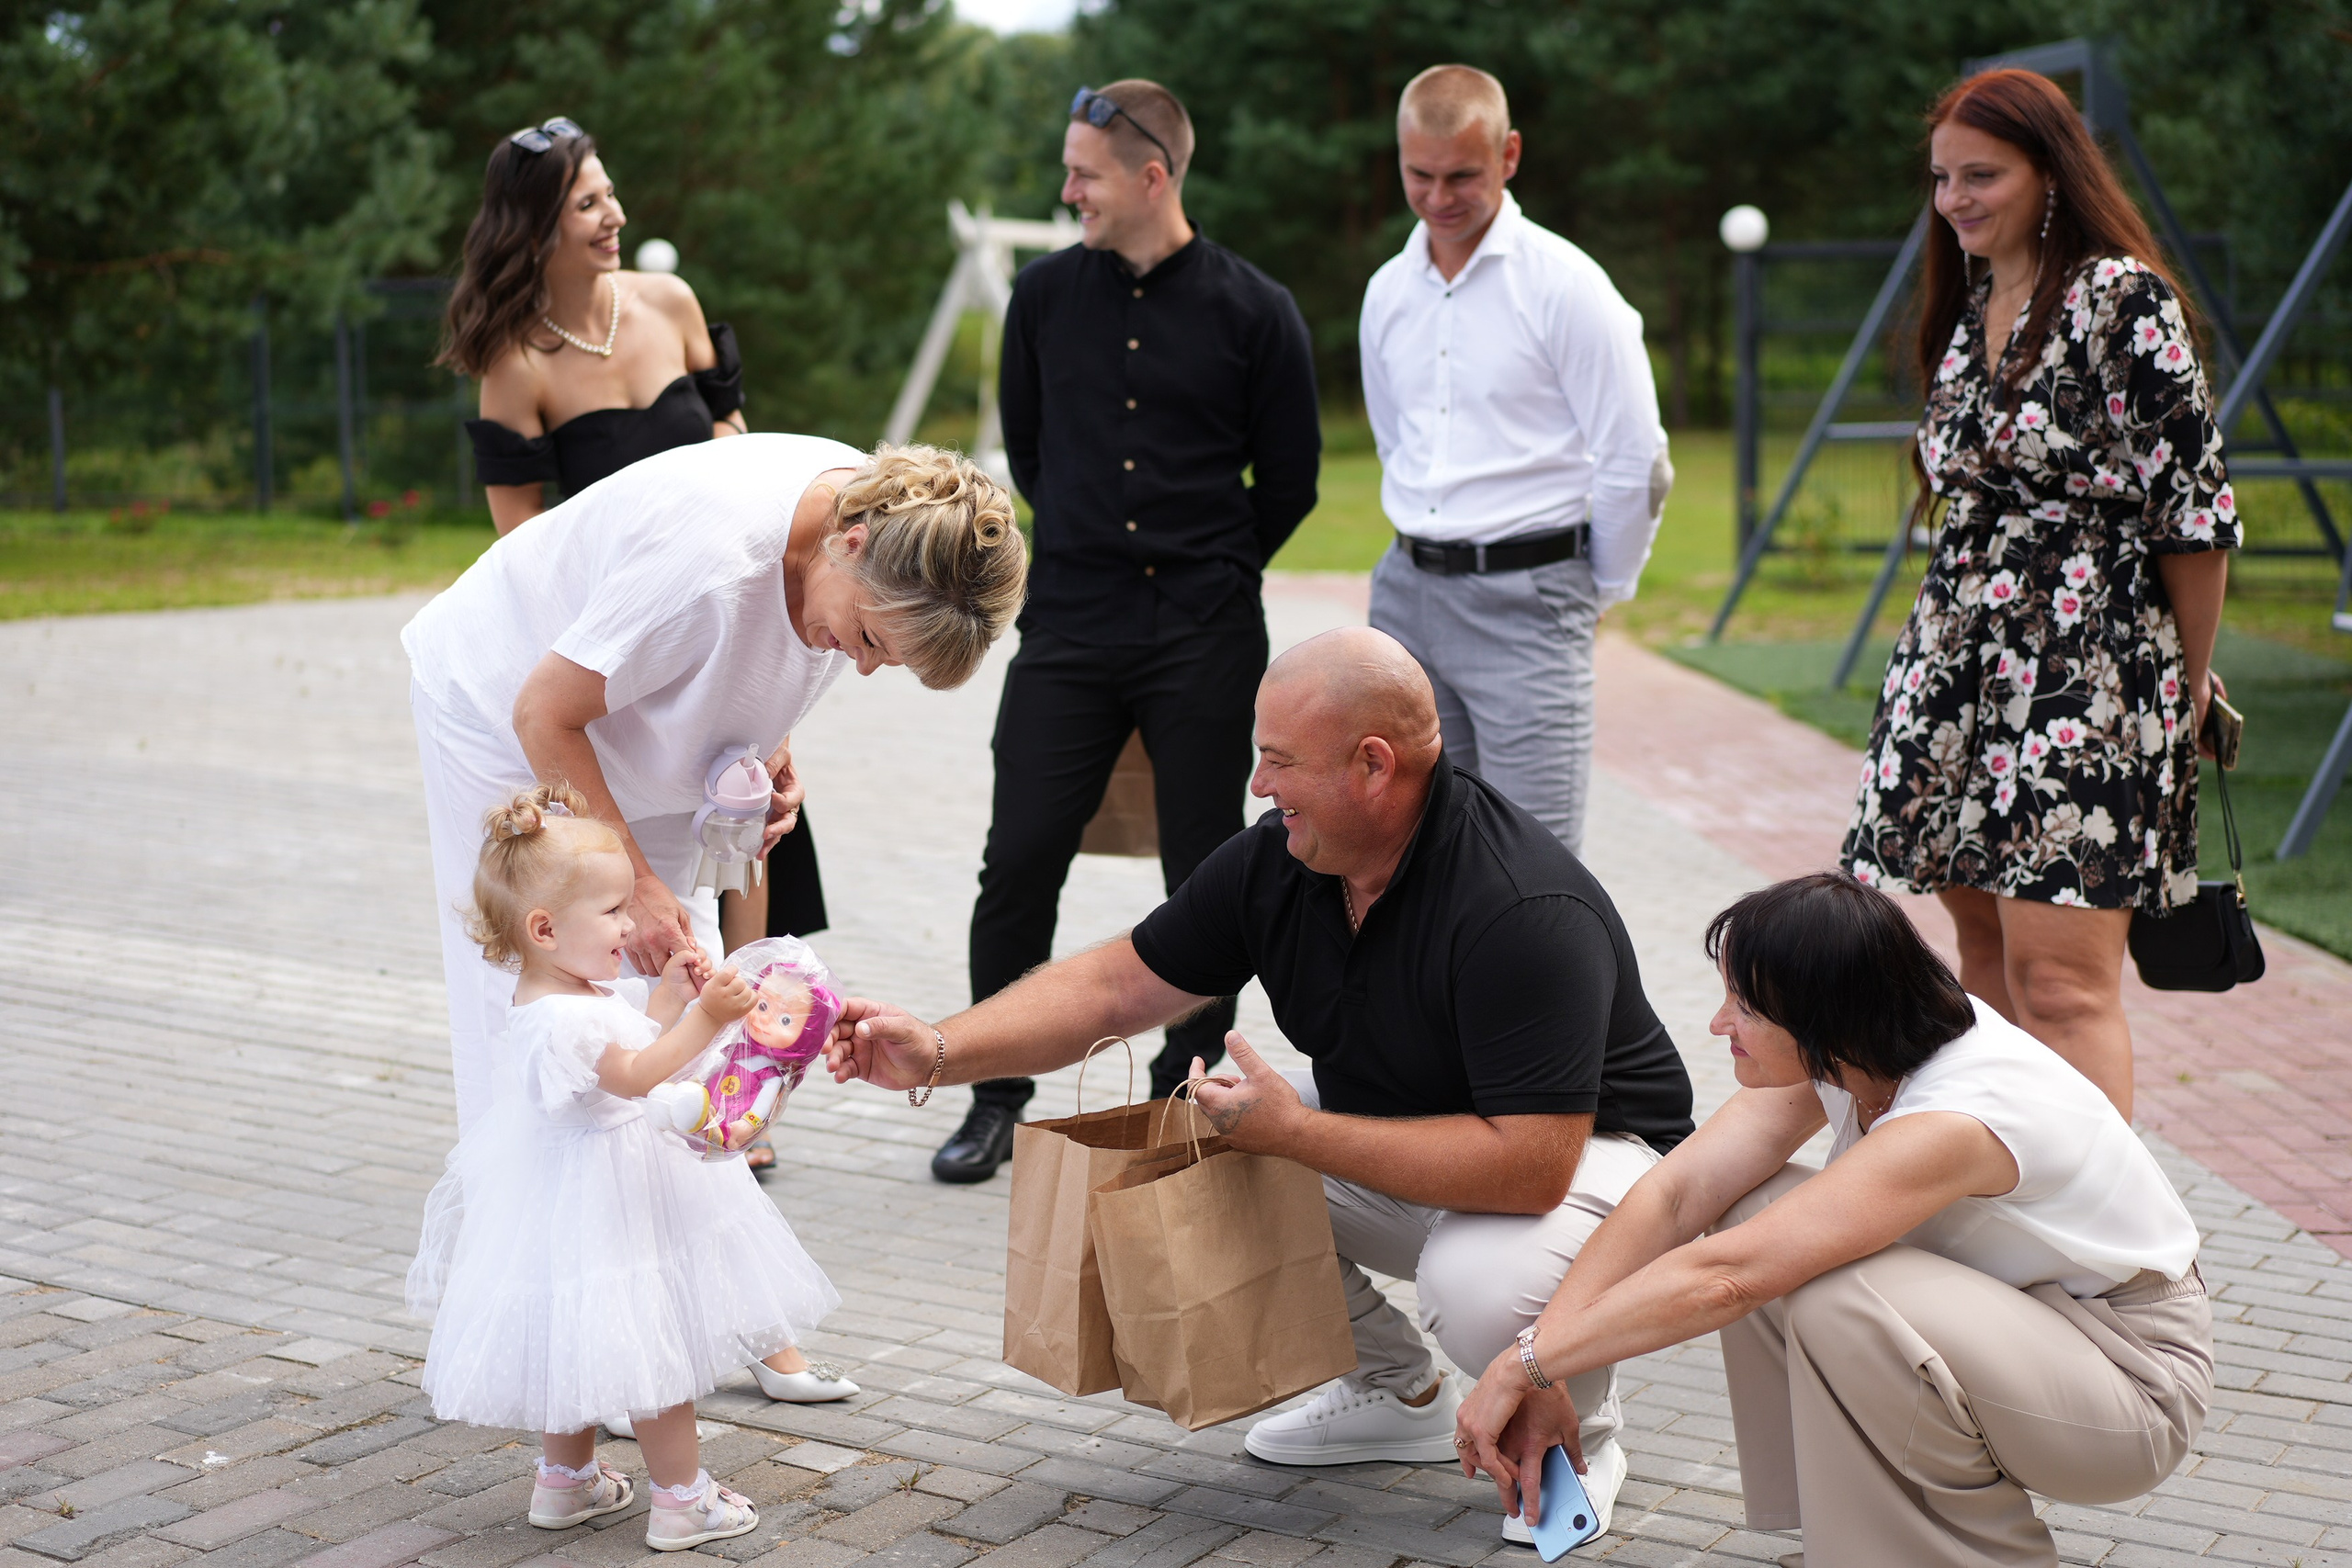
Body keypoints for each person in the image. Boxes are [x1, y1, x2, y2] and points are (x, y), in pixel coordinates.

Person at [831, 628, 1693, 1544]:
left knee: (1474, 1280)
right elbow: (1118, 985)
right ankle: (1398, 1391)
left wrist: (1294, 1134)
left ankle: (1579, 1438)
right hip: (1433, 1140)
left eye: (1278, 761)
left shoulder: (1520, 907)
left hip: (1604, 1166)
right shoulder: (1281, 859)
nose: (1258, 786)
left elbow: (1528, 1168)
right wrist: (936, 1049)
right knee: (1180, 1149)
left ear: (1372, 765)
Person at [403, 435, 1024, 1402]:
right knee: (553, 1034)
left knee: (696, 1032)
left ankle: (728, 1323)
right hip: (507, 713)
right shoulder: (710, 559)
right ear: (851, 545)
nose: (861, 671)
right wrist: (637, 885)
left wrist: (773, 760)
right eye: (868, 641)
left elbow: (769, 662)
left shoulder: (886, 534)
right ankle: (560, 1361)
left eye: (886, 661)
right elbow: (546, 712)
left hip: (627, 722)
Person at [1453, 873, 2211, 1568]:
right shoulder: (1859, 1050)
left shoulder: (1957, 1113)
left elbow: (1727, 1279)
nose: (1719, 1024)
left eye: (1744, 1007)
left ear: (1821, 1017)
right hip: (2037, 1332)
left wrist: (1522, 1365)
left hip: (2132, 1382)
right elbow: (1678, 1194)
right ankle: (1848, 1530)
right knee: (1750, 1209)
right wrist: (1542, 1354)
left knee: (1823, 1288)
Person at [933, 79, 1321, 1184]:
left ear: (1154, 176)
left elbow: (1288, 480)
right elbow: (1034, 451)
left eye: (1085, 175)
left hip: (1204, 631)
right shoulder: (1046, 298)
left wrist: (1210, 561)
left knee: (1209, 874)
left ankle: (1183, 1090)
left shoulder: (1258, 309)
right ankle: (992, 1092)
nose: (1068, 192)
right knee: (1017, 862)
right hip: (1070, 623)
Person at [1843, 69, 2239, 1119]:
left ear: (2050, 173)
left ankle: (2115, 1253)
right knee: (1983, 962)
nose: (1953, 200)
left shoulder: (2124, 300)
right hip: (1960, 664)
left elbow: (2192, 522)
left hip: (2087, 669)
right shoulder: (1971, 306)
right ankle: (2007, 1211)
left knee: (2062, 985)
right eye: (1939, 179)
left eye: (1981, 175)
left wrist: (2186, 687)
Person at [438, 114, 827, 1072]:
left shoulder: (671, 302)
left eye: (610, 194)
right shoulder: (515, 362)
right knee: (646, 858)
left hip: (727, 607)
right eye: (587, 204)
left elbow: (740, 448)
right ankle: (650, 1057)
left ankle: (754, 1062)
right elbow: (520, 543)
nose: (613, 215)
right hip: (620, 634)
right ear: (533, 228)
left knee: (750, 821)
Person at [406, 784, 842, 1552]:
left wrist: (671, 998)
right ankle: (684, 1499)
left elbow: (631, 1042)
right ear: (545, 927)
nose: (627, 923)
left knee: (574, 1335)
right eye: (611, 911)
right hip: (614, 1195)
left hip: (571, 1196)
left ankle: (565, 1480)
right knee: (651, 1344)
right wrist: (708, 1017)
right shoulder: (564, 1016)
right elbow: (638, 1074)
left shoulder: (558, 993)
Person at [1359, 65, 1672, 855]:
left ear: (1509, 155)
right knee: (1410, 853)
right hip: (1405, 599)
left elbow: (1636, 461)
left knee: (1533, 865)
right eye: (1418, 175)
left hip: (1530, 601)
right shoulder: (1388, 292)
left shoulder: (1569, 288)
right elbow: (1395, 440)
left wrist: (1595, 590)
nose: (1438, 197)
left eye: (1461, 174)